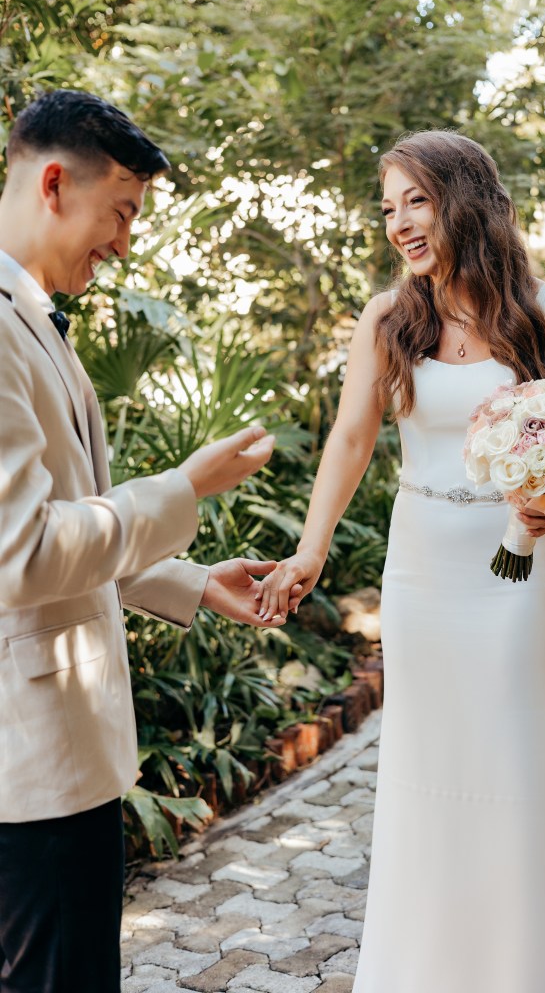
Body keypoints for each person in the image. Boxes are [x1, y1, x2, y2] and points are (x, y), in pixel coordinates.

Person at [256, 130, 545, 991]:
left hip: (520, 570)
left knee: (517, 753)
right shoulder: (389, 319)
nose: (398, 223)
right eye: (387, 208)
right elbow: (352, 437)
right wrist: (310, 551)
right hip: (421, 570)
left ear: (467, 199)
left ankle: (529, 967)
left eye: (414, 200)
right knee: (431, 764)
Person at [0, 89, 294, 993]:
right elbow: (26, 557)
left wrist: (194, 584)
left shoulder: (33, 314)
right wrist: (187, 488)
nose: (125, 241)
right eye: (120, 212)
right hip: (28, 757)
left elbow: (76, 519)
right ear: (54, 182)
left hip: (63, 750)